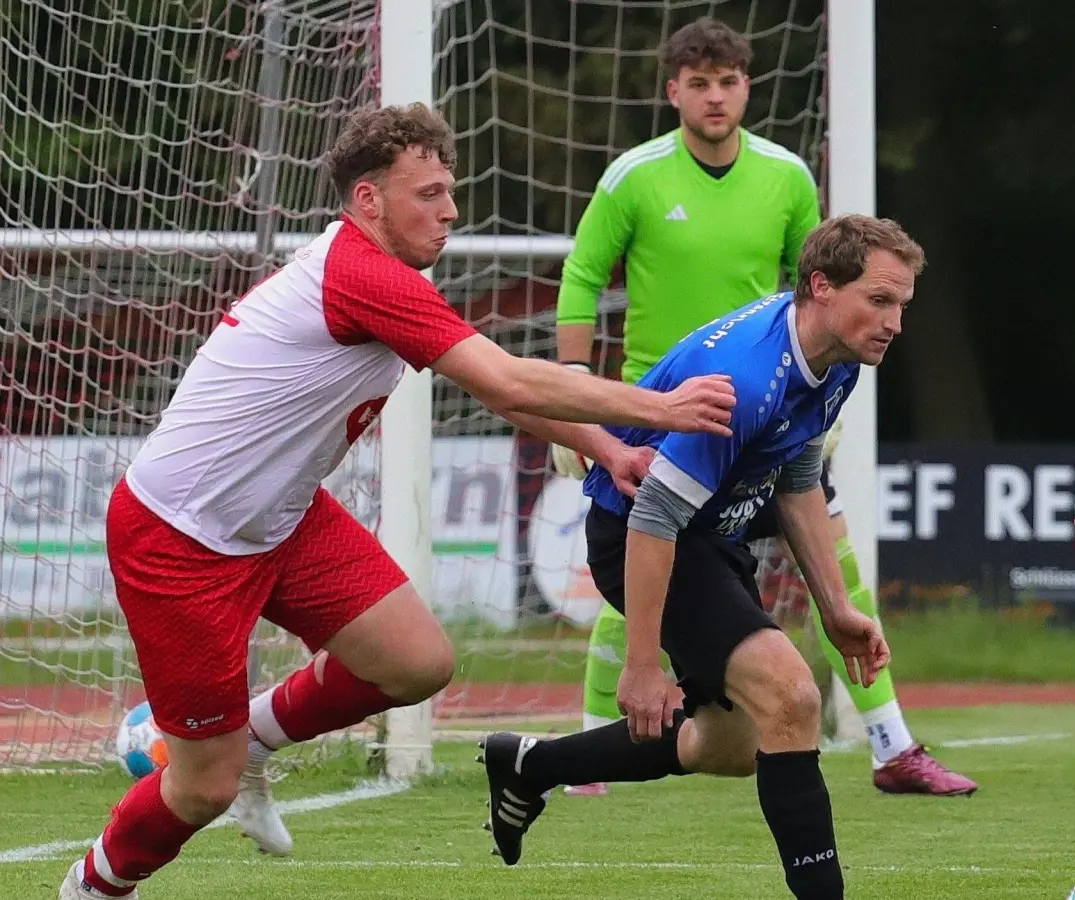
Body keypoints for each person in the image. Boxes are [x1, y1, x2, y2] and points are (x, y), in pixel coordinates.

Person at [59, 102, 740, 900]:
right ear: (368, 202)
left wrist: (608, 447)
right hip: (181, 538)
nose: (451, 210)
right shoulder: (362, 272)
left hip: (281, 517)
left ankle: (251, 741)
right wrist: (663, 409)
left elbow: (497, 393)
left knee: (417, 662)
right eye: (430, 193)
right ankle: (92, 887)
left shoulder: (388, 275)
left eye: (450, 191)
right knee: (200, 789)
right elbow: (509, 378)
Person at [551, 14, 975, 798]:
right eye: (700, 83)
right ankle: (590, 749)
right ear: (674, 91)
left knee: (838, 574)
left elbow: (819, 280)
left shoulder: (786, 177)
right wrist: (577, 396)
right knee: (645, 568)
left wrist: (809, 399)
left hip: (771, 413)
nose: (716, 98)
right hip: (666, 412)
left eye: (730, 81)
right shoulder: (633, 177)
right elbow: (581, 281)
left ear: (749, 87)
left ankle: (891, 744)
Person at [481, 215, 922, 900]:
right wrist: (641, 665)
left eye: (902, 304)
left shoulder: (837, 358)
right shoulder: (747, 376)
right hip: (646, 534)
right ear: (823, 286)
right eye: (881, 300)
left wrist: (836, 608)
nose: (894, 321)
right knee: (793, 696)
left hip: (709, 540)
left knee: (730, 745)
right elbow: (654, 515)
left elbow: (799, 474)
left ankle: (529, 765)